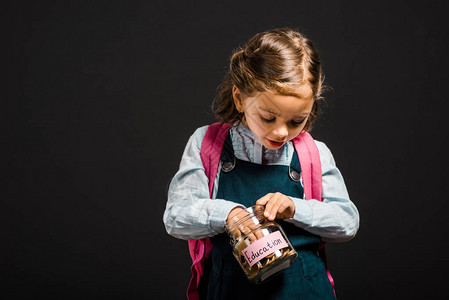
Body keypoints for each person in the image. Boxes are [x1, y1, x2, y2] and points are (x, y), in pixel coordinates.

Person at [163, 28, 360, 300]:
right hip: (230, 289)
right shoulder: (206, 144)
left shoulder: (313, 153)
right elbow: (176, 216)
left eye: (296, 121)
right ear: (239, 99)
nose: (281, 132)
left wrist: (295, 208)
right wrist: (230, 214)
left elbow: (347, 222)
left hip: (303, 291)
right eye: (268, 117)